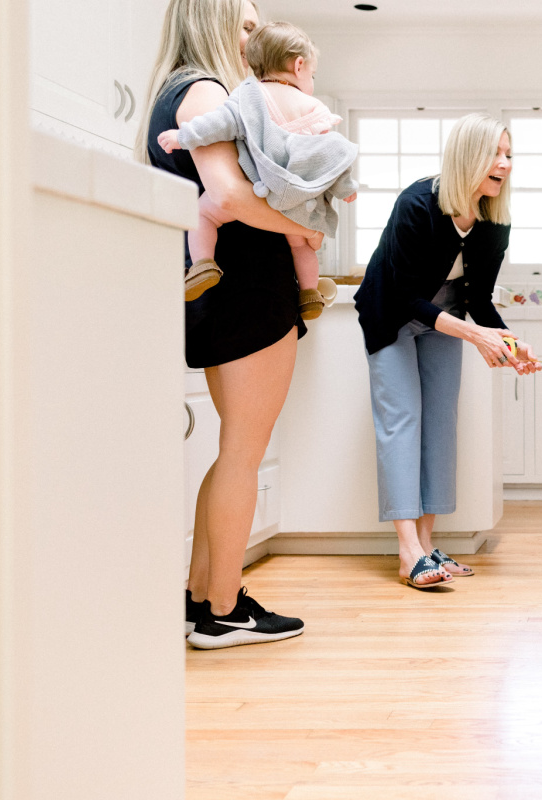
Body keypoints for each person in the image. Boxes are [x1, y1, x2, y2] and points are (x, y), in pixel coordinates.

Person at [139, 0, 312, 648]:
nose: (254, 39)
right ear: (209, 21)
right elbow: (231, 196)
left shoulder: (175, 93)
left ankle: (200, 599)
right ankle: (225, 608)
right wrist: (303, 228)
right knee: (244, 452)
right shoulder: (205, 90)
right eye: (245, 26)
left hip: (224, 290)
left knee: (234, 450)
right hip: (248, 291)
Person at [355, 113, 541, 590]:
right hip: (392, 312)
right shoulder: (417, 204)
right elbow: (402, 295)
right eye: (495, 153)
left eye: (509, 154)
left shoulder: (493, 221)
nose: (505, 163)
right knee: (402, 421)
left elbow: (480, 299)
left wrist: (509, 342)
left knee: (440, 423)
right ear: (467, 157)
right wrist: (477, 337)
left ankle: (426, 546)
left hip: (447, 315)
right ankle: (407, 553)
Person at [156, 20, 358, 321]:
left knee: (203, 213)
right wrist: (346, 188)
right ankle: (309, 292)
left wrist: (182, 136)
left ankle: (203, 264)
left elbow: (217, 124)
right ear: (299, 65)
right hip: (298, 199)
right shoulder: (314, 108)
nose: (312, 80)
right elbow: (327, 155)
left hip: (257, 190)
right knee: (301, 245)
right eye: (312, 74)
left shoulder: (247, 98)